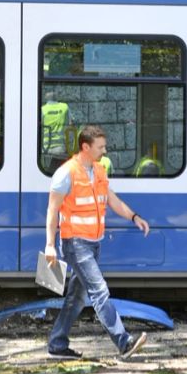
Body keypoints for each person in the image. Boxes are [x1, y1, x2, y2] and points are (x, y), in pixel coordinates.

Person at [45, 125, 150, 360]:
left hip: (94, 243)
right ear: (86, 147)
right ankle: (124, 342)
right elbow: (52, 211)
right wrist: (50, 245)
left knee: (76, 298)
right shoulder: (66, 173)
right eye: (100, 147)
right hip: (75, 243)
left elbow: (112, 200)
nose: (105, 150)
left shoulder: (99, 170)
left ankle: (57, 344)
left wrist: (135, 217)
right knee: (99, 291)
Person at [41, 90, 72, 167]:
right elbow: (71, 124)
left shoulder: (42, 109)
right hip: (60, 148)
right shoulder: (64, 107)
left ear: (46, 98)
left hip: (45, 148)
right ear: (56, 97)